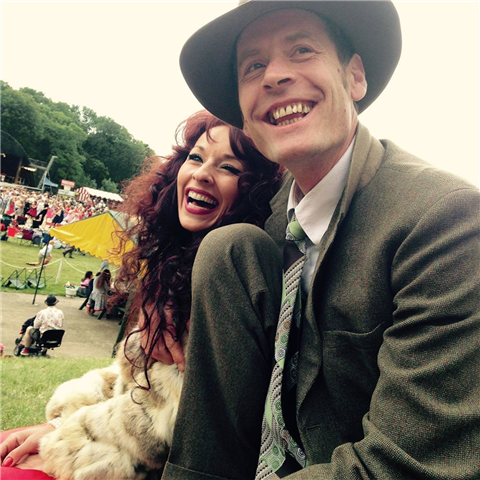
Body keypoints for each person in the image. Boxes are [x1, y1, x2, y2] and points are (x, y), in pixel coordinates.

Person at [158, 2, 480, 480]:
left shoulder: (443, 220)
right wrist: (167, 304)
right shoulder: (263, 220)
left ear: (355, 77)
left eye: (302, 50)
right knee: (227, 248)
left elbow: (406, 465)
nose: (274, 76)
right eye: (253, 66)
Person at [0, 110, 281, 479]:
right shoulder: (177, 268)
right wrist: (61, 418)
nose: (201, 173)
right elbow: (131, 378)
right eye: (195, 157)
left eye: (228, 167)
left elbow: (163, 422)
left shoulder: (235, 269)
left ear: (255, 189)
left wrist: (59, 438)